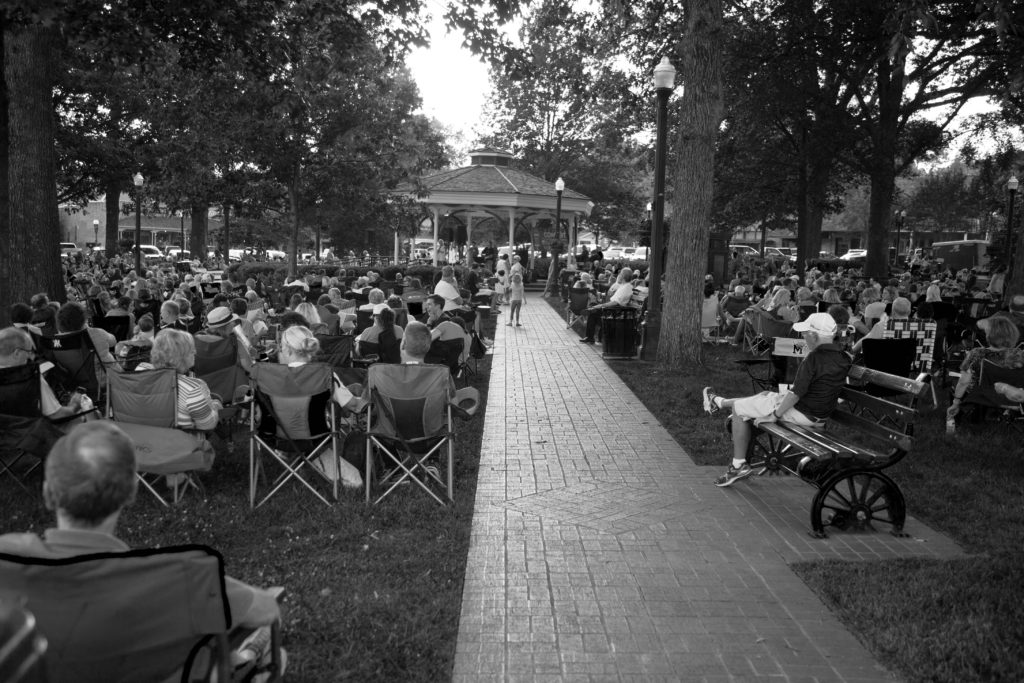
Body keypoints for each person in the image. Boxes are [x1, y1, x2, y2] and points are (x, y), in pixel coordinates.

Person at [0, 421, 284, 675]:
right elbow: (267, 611)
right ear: (131, 492)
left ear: (49, 494)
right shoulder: (181, 576)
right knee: (271, 652)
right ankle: (246, 657)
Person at [702, 312, 852, 487]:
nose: (803, 337)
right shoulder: (844, 357)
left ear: (813, 335)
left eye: (805, 334)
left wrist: (775, 414)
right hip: (818, 416)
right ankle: (718, 402)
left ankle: (738, 465)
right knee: (766, 395)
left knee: (740, 410)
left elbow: (796, 393)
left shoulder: (814, 358)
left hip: (803, 413)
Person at [136, 329, 222, 431]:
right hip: (180, 442)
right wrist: (215, 406)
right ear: (180, 357)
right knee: (216, 399)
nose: (195, 351)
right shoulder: (193, 389)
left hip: (145, 434)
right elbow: (207, 426)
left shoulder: (140, 370)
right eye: (190, 350)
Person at [947, 315, 1023, 424]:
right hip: (1014, 397)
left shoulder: (977, 353)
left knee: (956, 383)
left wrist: (956, 402)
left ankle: (958, 419)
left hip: (982, 396)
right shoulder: (1020, 355)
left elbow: (964, 382)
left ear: (989, 334)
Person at [0, 327, 87, 421]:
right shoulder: (30, 378)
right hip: (34, 432)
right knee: (81, 419)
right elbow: (57, 415)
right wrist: (74, 405)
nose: (31, 357)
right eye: (28, 352)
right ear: (17, 353)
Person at [579, 267, 635, 344]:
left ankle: (590, 336)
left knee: (593, 312)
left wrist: (601, 305)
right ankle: (591, 336)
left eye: (620, 274)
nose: (619, 275)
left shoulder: (626, 287)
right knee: (593, 311)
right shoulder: (623, 286)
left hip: (615, 311)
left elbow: (615, 303)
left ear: (624, 276)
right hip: (613, 309)